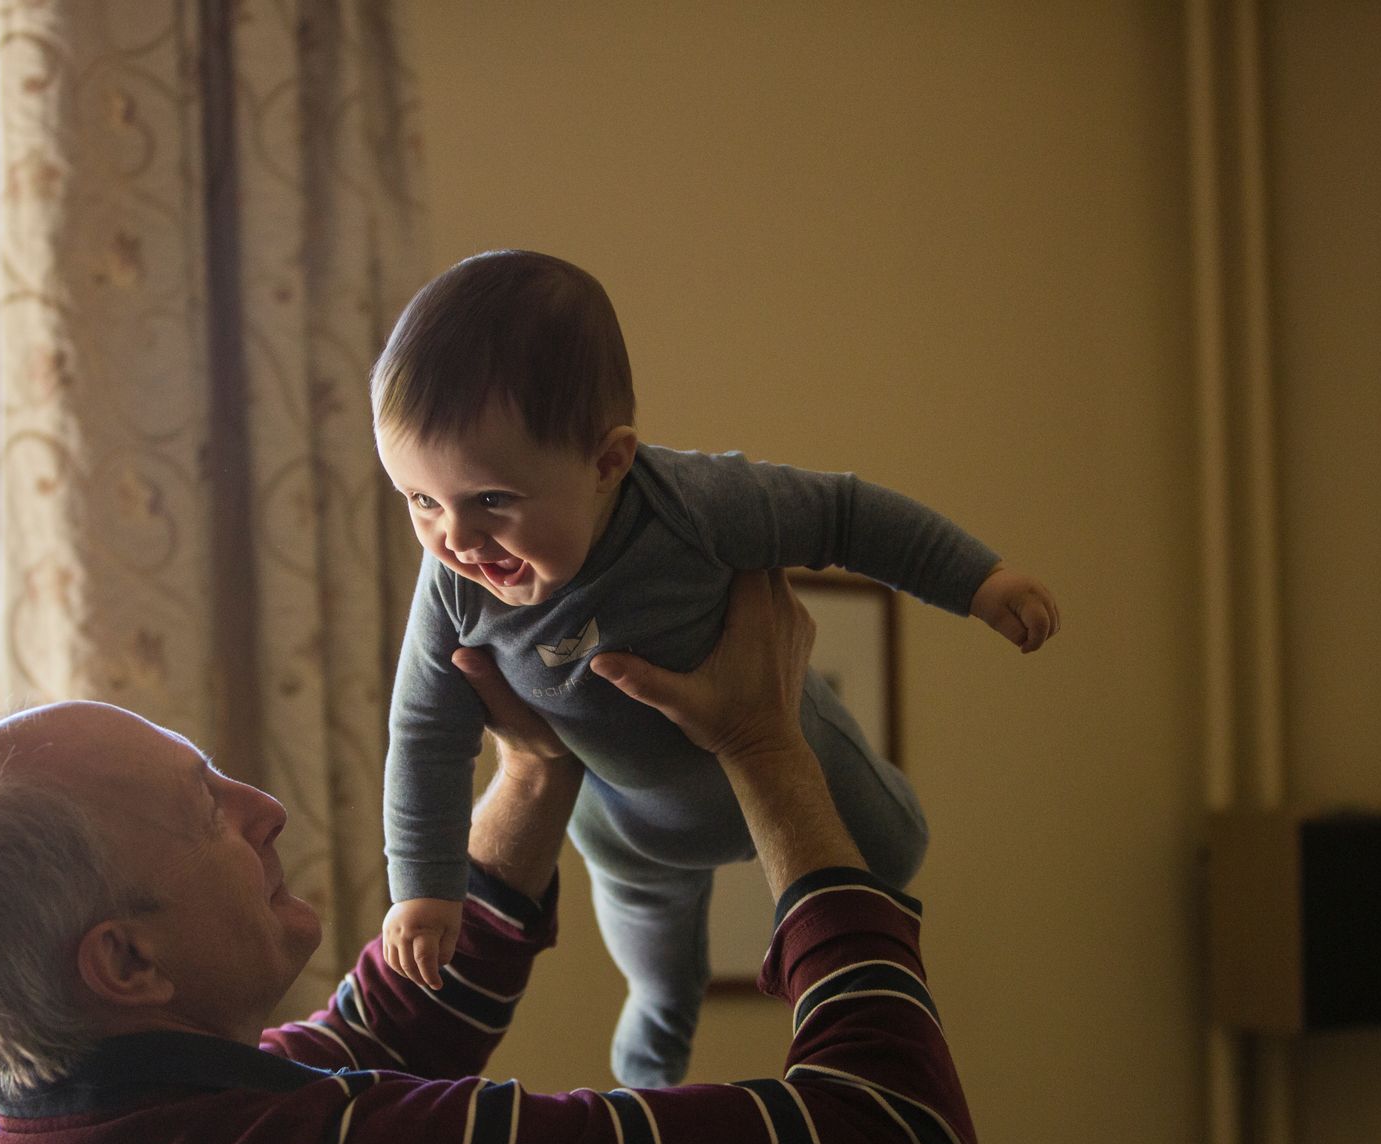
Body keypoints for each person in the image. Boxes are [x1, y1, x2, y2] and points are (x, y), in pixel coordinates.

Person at [0, 570, 981, 1144]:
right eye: (206, 809)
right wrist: (766, 746)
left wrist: (536, 765)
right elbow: (894, 1138)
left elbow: (377, 1033)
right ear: (127, 959)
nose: (264, 808)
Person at [375, 249, 1060, 1085]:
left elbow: (845, 515)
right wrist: (424, 887)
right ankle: (649, 1082)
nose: (456, 539)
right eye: (419, 500)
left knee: (896, 850)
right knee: (661, 979)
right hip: (631, 831)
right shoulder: (452, 588)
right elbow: (424, 734)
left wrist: (979, 580)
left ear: (607, 463)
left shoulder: (694, 506)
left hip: (790, 746)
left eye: (491, 500)